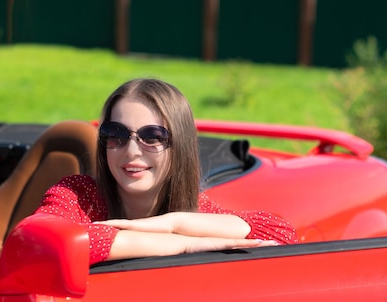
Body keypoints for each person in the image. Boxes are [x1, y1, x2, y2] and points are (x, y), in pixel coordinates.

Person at [34, 78, 298, 265]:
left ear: (179, 146)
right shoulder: (78, 194)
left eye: (152, 137)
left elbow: (281, 234)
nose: (131, 151)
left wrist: (173, 223)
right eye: (116, 134)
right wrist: (181, 244)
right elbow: (43, 239)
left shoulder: (193, 210)